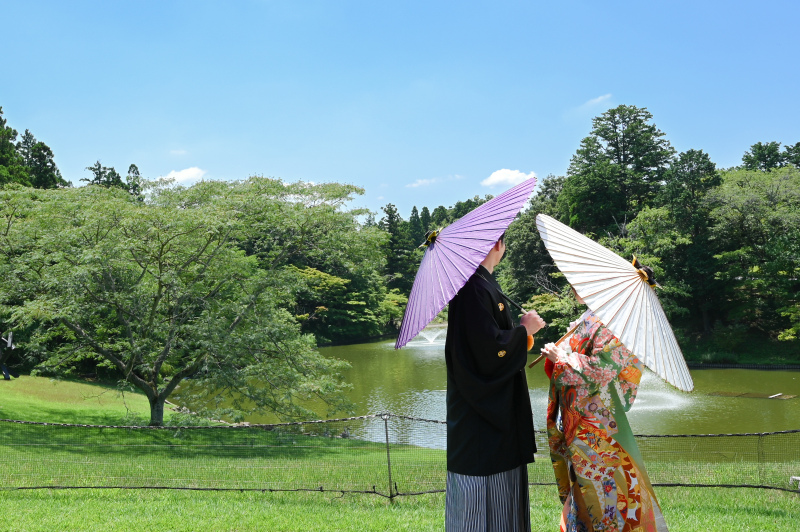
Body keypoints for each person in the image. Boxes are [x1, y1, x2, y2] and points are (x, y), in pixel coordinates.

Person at [540, 288, 668, 532]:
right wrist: (557, 355)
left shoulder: (616, 323)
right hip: (580, 415)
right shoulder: (593, 317)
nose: (573, 287)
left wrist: (563, 358)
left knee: (605, 489)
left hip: (598, 422)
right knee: (584, 485)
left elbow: (603, 369)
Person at [444, 233, 546, 532]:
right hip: (481, 418)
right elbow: (488, 352)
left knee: (499, 495)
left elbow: (491, 345)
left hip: (491, 413)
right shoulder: (473, 287)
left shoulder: (481, 283)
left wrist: (521, 335)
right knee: (482, 503)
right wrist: (523, 330)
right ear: (496, 245)